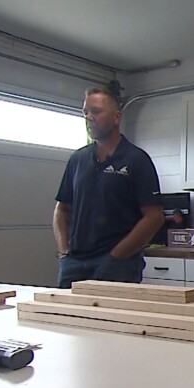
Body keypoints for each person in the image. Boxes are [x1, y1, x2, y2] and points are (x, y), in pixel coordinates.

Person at [53, 84, 164, 288]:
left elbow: (154, 217)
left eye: (96, 112)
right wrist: (64, 251)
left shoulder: (136, 159)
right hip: (74, 264)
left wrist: (117, 255)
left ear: (116, 118)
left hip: (116, 265)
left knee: (111, 320)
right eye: (85, 112)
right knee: (68, 318)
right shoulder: (77, 159)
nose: (89, 117)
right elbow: (62, 210)